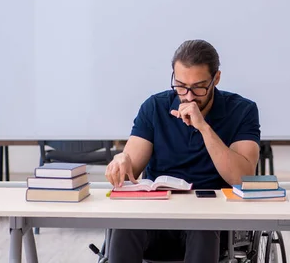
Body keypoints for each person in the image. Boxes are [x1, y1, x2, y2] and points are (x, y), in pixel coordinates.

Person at [105, 39, 261, 263]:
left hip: (211, 223)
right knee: (124, 227)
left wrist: (204, 128)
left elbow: (242, 178)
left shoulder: (242, 110)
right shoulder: (154, 107)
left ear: (216, 79)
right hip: (159, 218)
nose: (188, 96)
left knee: (203, 225)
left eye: (198, 87)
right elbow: (131, 165)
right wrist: (121, 160)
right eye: (180, 86)